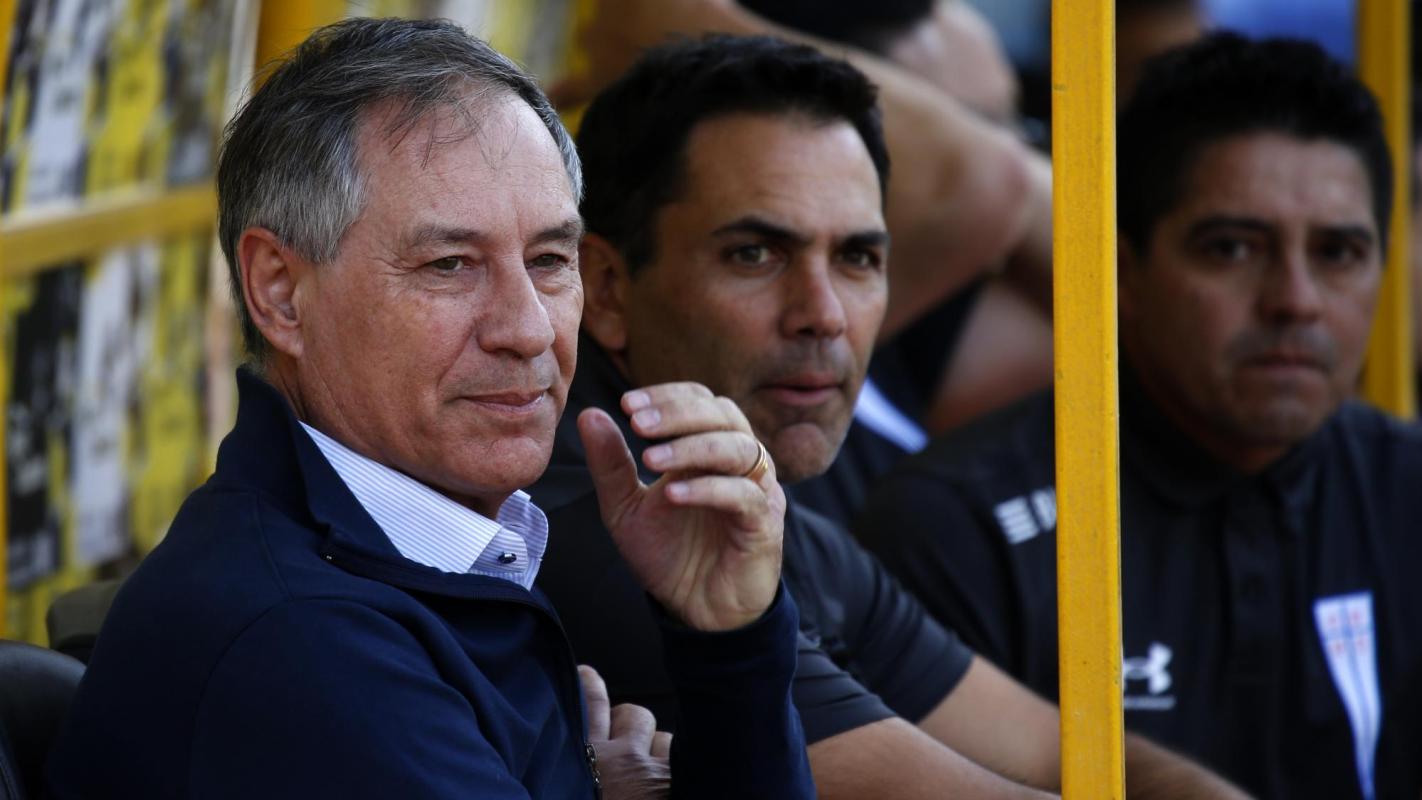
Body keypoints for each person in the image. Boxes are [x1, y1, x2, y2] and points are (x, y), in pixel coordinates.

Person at [44, 18, 813, 800]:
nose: (529, 329)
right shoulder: (302, 639)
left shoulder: (413, 558)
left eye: (550, 260)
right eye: (449, 265)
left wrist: (731, 640)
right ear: (279, 292)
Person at [532, 34, 1247, 800]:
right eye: (754, 254)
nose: (824, 314)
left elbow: (1086, 758)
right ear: (606, 288)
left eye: (858, 259)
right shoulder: (617, 533)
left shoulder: (769, 514)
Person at [855, 34, 1422, 800]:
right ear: (1118, 271)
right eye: (1232, 248)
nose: (1295, 300)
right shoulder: (958, 531)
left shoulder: (1407, 489)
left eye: (1339, 253)